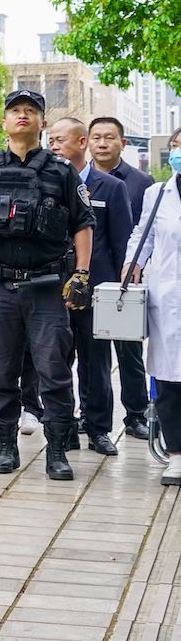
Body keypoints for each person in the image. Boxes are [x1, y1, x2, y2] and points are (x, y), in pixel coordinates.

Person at [0, 89, 94, 480]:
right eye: (15, 111)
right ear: (4, 121)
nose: (23, 116)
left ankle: (57, 454)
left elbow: (83, 224)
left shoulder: (62, 172)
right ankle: (5, 447)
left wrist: (81, 274)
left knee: (54, 372)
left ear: (43, 123)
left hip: (47, 288)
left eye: (31, 111)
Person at [49, 116, 133, 455]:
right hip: (52, 290)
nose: (53, 146)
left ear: (81, 142)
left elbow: (121, 244)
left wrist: (113, 291)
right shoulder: (47, 182)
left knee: (96, 365)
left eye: (59, 139)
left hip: (95, 293)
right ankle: (63, 428)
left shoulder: (111, 187)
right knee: (55, 363)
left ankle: (99, 429)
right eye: (50, 140)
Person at [91, 114, 155, 440]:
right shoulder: (75, 180)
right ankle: (92, 418)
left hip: (127, 285)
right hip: (90, 283)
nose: (102, 143)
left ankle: (136, 415)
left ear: (122, 143)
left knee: (129, 355)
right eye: (97, 137)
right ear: (88, 142)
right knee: (91, 359)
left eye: (110, 137)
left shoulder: (142, 183)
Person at [122, 127, 181, 483]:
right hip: (169, 298)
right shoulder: (157, 194)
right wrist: (133, 265)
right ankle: (176, 453)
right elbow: (142, 236)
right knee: (171, 379)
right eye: (177, 146)